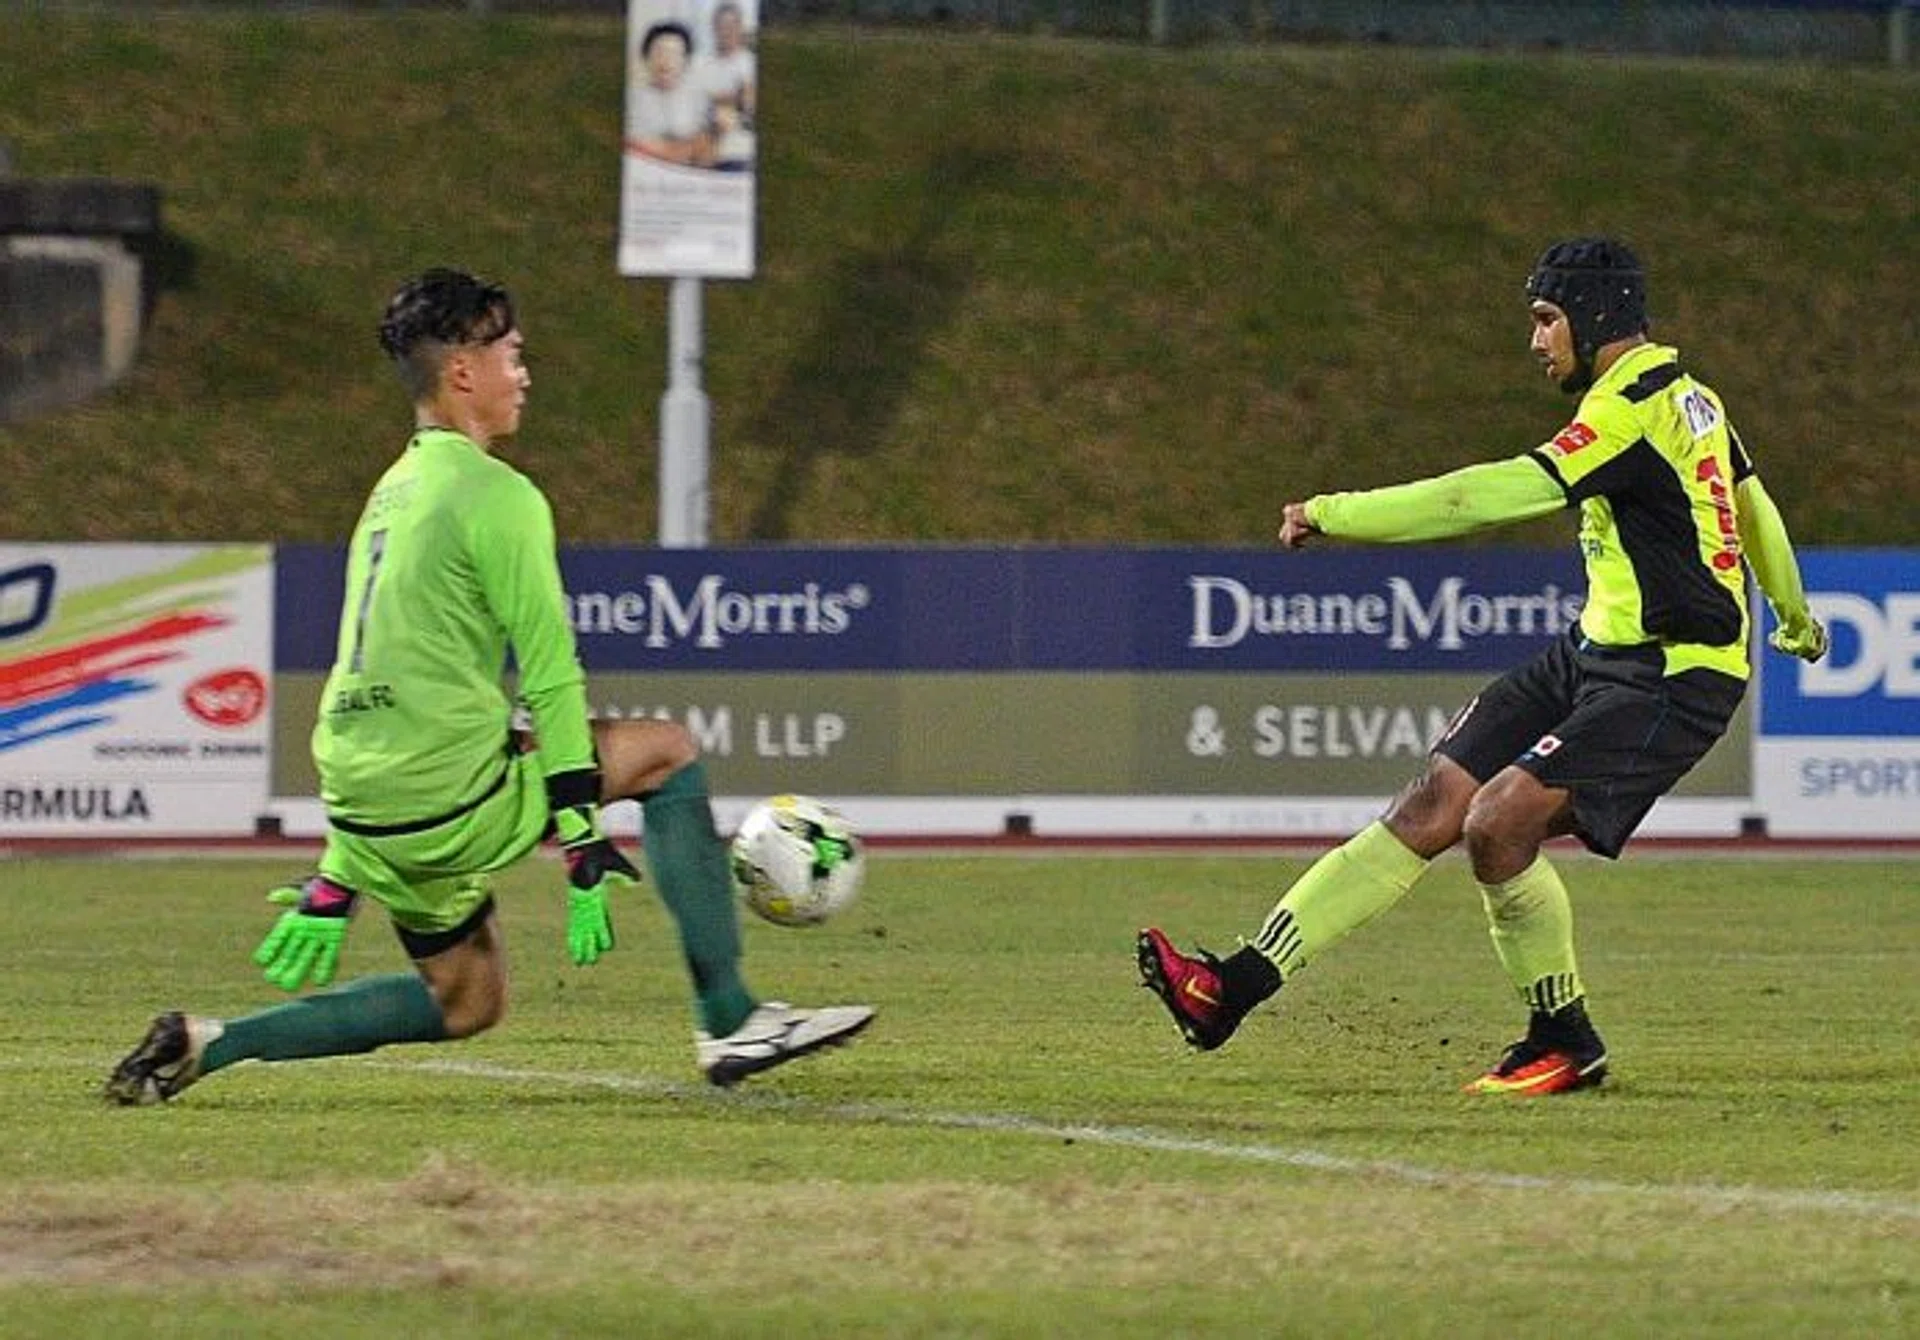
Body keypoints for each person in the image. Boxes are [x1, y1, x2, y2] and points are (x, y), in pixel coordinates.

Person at [106, 267, 873, 1106]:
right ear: (463, 371)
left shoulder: (391, 493)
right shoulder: (498, 495)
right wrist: (580, 834)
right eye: (513, 354)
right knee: (666, 752)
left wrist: (342, 872)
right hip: (445, 798)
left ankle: (208, 1044)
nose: (525, 373)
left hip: (366, 806)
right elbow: (551, 672)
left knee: (467, 1000)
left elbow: (375, 683)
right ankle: (730, 1018)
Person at [1138, 237, 1828, 1096]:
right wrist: (1793, 615)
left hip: (1675, 676)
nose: (1537, 342)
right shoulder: (1686, 400)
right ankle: (1228, 991)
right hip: (1593, 654)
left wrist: (1334, 513)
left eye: (1546, 320)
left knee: (1498, 823)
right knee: (1434, 804)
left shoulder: (1629, 414)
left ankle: (1564, 1036)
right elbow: (1753, 502)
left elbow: (1483, 496)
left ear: (1596, 313)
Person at [624, 20, 715, 167]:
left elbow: (705, 155)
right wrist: (680, 149)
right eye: (659, 52)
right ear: (646, 57)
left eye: (674, 53)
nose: (666, 60)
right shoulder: (631, 99)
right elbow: (632, 146)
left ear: (685, 61)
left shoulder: (699, 100)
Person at [694, 2, 757, 170]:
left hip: (737, 155)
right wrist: (730, 98)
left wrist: (726, 100)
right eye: (721, 25)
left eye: (732, 25)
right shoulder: (700, 63)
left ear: (740, 28)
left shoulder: (750, 63)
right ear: (714, 28)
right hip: (701, 151)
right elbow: (694, 100)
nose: (727, 31)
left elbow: (748, 103)